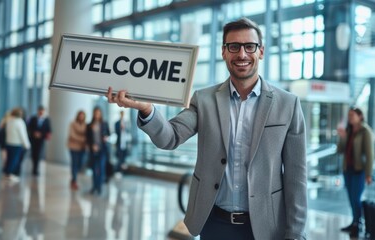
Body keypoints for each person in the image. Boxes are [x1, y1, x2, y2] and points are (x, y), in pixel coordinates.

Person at [107, 17, 307, 240]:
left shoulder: (288, 104)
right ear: (223, 52)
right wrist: (146, 109)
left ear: (261, 51)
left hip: (266, 228)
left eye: (249, 46)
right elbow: (170, 137)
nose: (242, 54)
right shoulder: (204, 100)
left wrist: (296, 234)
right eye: (234, 47)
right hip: (214, 224)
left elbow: (296, 177)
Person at [337, 107, 374, 237]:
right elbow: (340, 150)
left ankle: (357, 224)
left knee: (356, 198)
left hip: (359, 170)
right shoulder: (348, 130)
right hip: (348, 170)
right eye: (349, 115)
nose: (350, 117)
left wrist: (369, 174)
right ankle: (354, 222)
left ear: (360, 116)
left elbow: (370, 154)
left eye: (352, 115)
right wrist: (342, 137)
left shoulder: (365, 131)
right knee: (351, 198)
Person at [86, 107, 110, 194]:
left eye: (98, 113)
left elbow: (108, 133)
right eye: (95, 113)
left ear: (100, 114)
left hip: (102, 150)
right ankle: (94, 186)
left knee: (101, 168)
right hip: (93, 150)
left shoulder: (104, 124)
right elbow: (87, 138)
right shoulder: (89, 125)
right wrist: (92, 145)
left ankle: (99, 187)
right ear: (93, 114)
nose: (97, 115)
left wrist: (106, 137)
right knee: (94, 169)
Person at [4, 108, 31, 182]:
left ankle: (7, 173)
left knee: (9, 159)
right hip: (16, 144)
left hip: (9, 143)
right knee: (14, 160)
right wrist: (27, 145)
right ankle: (10, 174)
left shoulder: (9, 121)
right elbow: (23, 135)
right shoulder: (20, 122)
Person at [28, 105, 52, 176]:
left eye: (42, 110)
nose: (41, 112)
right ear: (38, 111)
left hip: (41, 140)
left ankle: (36, 169)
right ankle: (34, 166)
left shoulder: (47, 120)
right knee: (33, 153)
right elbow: (29, 128)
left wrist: (41, 134)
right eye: (40, 110)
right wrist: (34, 133)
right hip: (33, 139)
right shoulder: (33, 118)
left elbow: (49, 130)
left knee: (38, 154)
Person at [67, 110, 87, 190]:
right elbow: (72, 135)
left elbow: (87, 135)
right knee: (74, 164)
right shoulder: (72, 124)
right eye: (80, 115)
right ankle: (74, 180)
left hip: (82, 148)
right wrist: (82, 139)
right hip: (73, 147)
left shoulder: (86, 125)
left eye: (83, 115)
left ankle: (73, 179)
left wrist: (81, 139)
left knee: (80, 164)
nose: (81, 117)